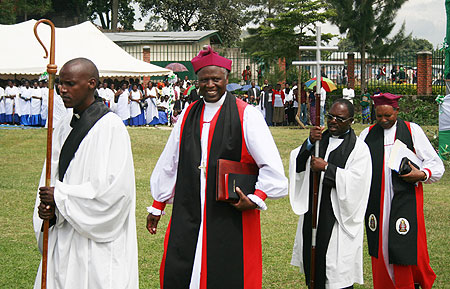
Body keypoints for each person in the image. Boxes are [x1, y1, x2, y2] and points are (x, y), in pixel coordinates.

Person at [146, 46, 287, 289]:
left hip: (230, 212)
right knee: (185, 270)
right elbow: (171, 161)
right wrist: (158, 205)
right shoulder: (188, 113)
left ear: (226, 79)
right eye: (204, 80)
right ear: (196, 82)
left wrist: (256, 197)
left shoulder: (247, 115)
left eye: (216, 79)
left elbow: (271, 166)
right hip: (190, 208)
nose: (210, 85)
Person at [33, 57, 138, 289]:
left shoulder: (111, 127)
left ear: (91, 83)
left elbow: (115, 194)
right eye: (60, 83)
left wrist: (60, 197)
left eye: (70, 84)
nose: (62, 89)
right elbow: (51, 174)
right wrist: (47, 205)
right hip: (64, 228)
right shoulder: (63, 123)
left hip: (96, 241)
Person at [359, 93, 445, 289]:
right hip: (377, 203)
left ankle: (409, 284)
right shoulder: (367, 134)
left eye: (388, 115)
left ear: (397, 111)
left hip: (406, 200)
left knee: (407, 245)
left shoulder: (411, 130)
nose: (383, 120)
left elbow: (436, 165)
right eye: (379, 116)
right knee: (381, 246)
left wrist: (422, 174)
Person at [289, 99, 372, 289]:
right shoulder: (319, 142)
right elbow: (298, 162)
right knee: (314, 268)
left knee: (335, 272)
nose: (333, 121)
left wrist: (327, 168)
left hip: (337, 218)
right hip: (314, 212)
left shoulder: (359, 149)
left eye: (340, 118)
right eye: (330, 117)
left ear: (351, 120)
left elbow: (357, 182)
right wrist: (310, 142)